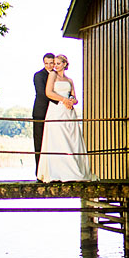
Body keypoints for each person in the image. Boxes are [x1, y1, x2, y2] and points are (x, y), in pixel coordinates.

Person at [37, 54, 97, 182]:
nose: (55, 66)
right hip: (57, 109)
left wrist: (71, 101)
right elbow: (49, 92)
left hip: (68, 110)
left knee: (72, 139)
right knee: (58, 138)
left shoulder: (69, 80)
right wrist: (64, 100)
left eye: (58, 63)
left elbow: (75, 97)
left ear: (64, 64)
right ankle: (59, 171)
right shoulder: (52, 75)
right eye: (55, 63)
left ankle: (74, 169)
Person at [32, 53, 55, 171]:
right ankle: (40, 172)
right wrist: (61, 101)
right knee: (39, 141)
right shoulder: (38, 75)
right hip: (41, 111)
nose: (49, 66)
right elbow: (42, 93)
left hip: (55, 113)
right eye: (47, 63)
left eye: (51, 63)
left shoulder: (58, 76)